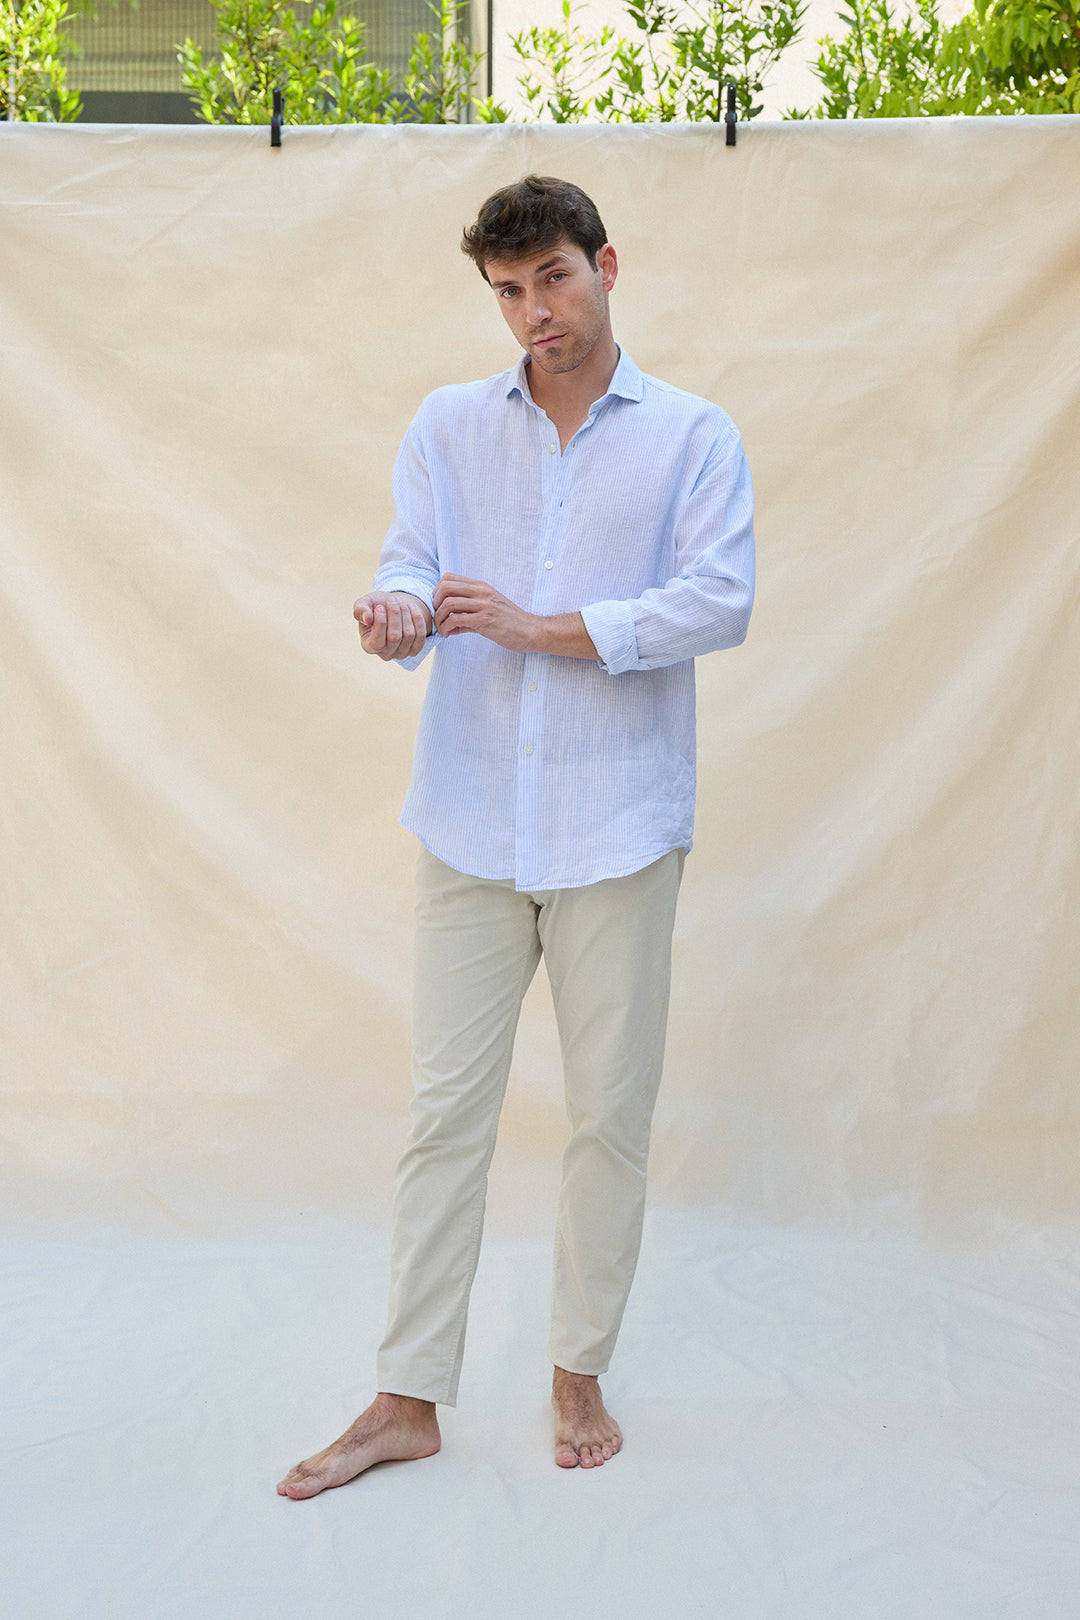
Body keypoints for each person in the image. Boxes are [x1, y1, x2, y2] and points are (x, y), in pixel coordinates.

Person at [277, 174, 755, 1498]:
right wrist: (396, 616)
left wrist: (547, 629)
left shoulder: (694, 435)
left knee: (609, 1118)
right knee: (444, 1117)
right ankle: (405, 1397)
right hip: (472, 818)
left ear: (607, 265)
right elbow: (410, 562)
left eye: (553, 277)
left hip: (619, 826)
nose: (535, 310)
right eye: (508, 291)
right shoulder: (446, 426)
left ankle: (577, 1369)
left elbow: (721, 600)